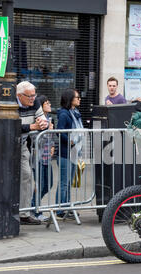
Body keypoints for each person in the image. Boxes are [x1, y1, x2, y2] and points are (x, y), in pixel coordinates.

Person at [16, 81, 48, 225]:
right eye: (29, 96)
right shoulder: (11, 103)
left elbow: (42, 119)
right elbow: (11, 125)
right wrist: (31, 126)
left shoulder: (34, 103)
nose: (33, 99)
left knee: (27, 175)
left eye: (34, 95)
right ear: (19, 96)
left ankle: (23, 213)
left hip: (22, 145)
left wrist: (43, 123)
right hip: (6, 146)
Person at [56, 89, 83, 218]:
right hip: (65, 153)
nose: (79, 99)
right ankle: (60, 209)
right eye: (77, 97)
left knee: (69, 182)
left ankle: (65, 206)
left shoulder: (75, 113)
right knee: (64, 182)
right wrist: (70, 142)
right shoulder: (64, 114)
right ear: (70, 99)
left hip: (73, 153)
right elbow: (59, 132)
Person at [31, 95, 55, 222]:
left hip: (47, 157)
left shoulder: (49, 119)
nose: (49, 105)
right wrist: (47, 130)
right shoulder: (39, 120)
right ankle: (34, 210)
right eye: (47, 103)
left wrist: (52, 146)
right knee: (40, 184)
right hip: (38, 158)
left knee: (48, 184)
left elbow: (50, 138)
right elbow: (36, 139)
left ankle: (33, 205)